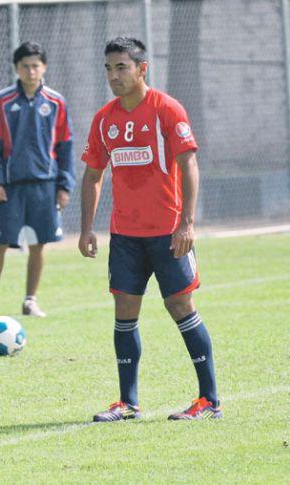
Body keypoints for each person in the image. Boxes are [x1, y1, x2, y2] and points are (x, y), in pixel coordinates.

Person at [79, 37, 221, 421]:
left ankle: (209, 400)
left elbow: (188, 164)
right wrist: (87, 228)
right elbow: (93, 174)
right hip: (125, 235)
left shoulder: (166, 109)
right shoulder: (104, 118)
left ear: (142, 69)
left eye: (121, 67)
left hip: (168, 232)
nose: (113, 75)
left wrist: (186, 223)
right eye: (108, 68)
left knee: (180, 306)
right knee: (124, 309)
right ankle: (128, 403)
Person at [0, 41, 75, 319]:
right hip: (11, 187)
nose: (30, 71)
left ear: (44, 68)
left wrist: (64, 185)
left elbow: (65, 144)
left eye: (35, 65)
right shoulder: (3, 101)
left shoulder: (55, 102)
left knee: (39, 244)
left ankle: (30, 301)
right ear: (16, 68)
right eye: (25, 66)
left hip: (45, 184)